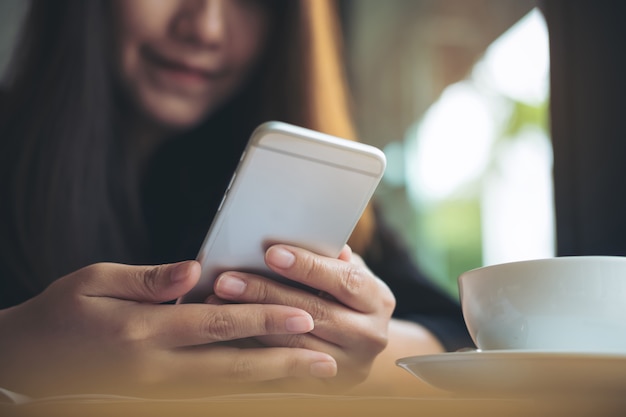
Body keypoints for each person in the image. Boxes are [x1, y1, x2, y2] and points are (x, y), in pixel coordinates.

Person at [0, 0, 472, 399]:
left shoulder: (285, 181)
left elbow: (456, 339)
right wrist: (14, 349)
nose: (205, 27)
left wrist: (362, 344)